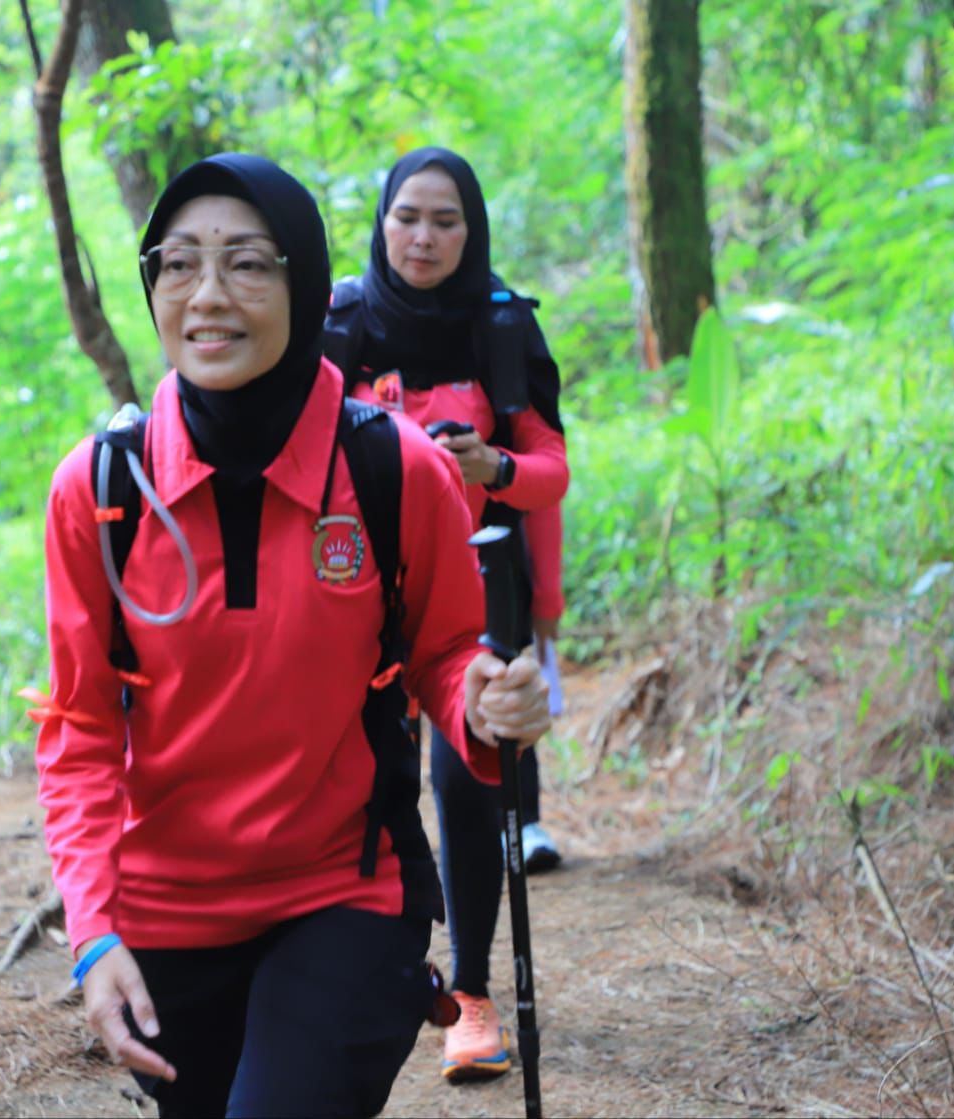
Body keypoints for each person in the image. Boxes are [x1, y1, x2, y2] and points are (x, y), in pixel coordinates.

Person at [32, 153, 552, 1118]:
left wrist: (480, 698)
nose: (208, 296)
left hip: (343, 892)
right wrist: (96, 933)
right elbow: (81, 730)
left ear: (305, 281)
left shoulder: (391, 469)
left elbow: (443, 655)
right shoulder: (102, 491)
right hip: (166, 921)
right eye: (177, 265)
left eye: (247, 264)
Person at [325, 146, 570, 1084]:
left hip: (478, 577)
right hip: (356, 583)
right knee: (360, 774)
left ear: (472, 231)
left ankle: (468, 993)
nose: (422, 238)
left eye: (445, 221)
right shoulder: (339, 322)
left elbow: (550, 467)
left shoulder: (503, 326)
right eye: (406, 217)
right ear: (382, 221)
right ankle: (371, 965)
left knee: (467, 776)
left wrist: (491, 468)